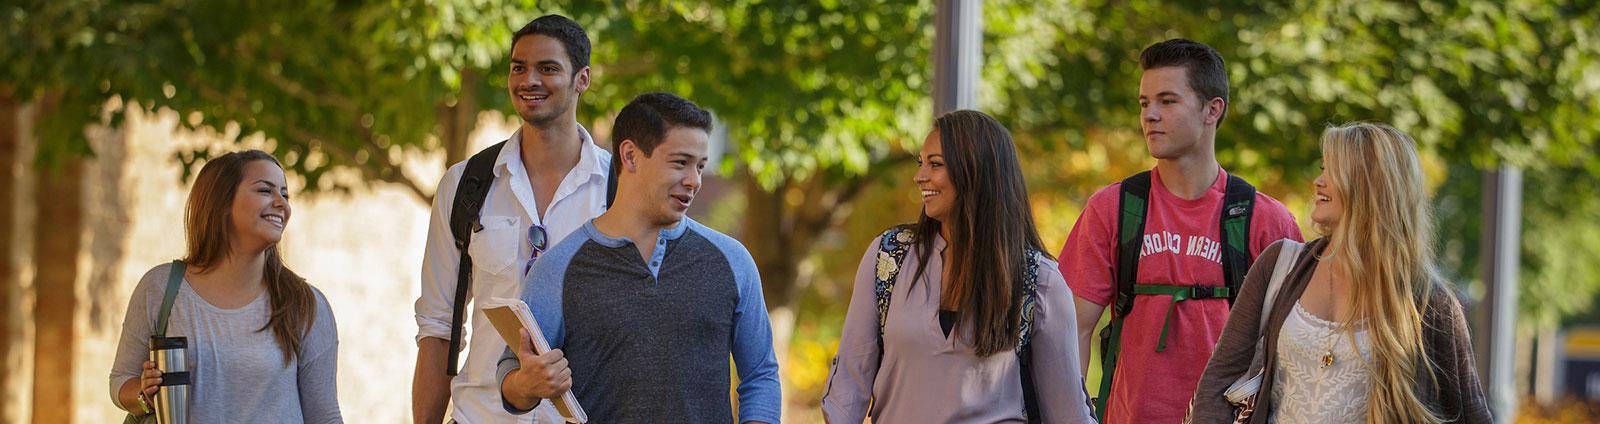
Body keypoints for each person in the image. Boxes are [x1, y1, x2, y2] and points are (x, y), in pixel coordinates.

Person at [496, 92, 781, 423]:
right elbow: (512, 372)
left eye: (700, 166)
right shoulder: (558, 268)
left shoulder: (732, 262)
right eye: (680, 163)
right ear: (630, 155)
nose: (694, 180)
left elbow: (760, 375)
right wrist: (525, 385)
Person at [1060, 38, 1304, 423]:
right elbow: (1070, 327)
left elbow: (1296, 350)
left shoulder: (1264, 219)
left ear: (1212, 109)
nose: (1150, 115)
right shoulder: (1114, 209)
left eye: (1167, 101)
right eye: (1144, 103)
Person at [1187, 123, 1491, 423]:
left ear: (1371, 185)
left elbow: (1473, 412)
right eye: (1323, 168)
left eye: (1333, 171)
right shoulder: (1280, 264)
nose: (1318, 181)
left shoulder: (1428, 302)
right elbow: (1218, 380)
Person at [822, 109, 1097, 423]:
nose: (919, 176)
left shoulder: (1037, 279)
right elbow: (847, 391)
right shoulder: (888, 257)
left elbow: (1067, 412)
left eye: (935, 164)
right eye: (920, 163)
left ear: (976, 172)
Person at [412, 14, 611, 424]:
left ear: (583, 79)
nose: (529, 80)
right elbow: (437, 327)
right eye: (518, 67)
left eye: (548, 68)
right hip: (479, 415)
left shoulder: (619, 189)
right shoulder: (465, 184)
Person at [109, 150, 341, 423]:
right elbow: (120, 382)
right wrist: (144, 392)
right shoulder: (160, 288)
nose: (282, 204)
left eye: (285, 195)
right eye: (266, 190)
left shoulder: (305, 304)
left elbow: (324, 416)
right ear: (222, 202)